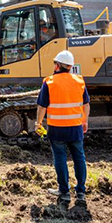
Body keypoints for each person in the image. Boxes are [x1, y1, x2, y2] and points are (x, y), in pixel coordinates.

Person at [35, 50, 90, 202]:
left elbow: (42, 107)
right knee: (79, 157)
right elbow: (86, 104)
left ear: (57, 65)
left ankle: (64, 192)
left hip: (57, 129)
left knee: (60, 158)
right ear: (70, 66)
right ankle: (81, 192)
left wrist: (38, 123)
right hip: (75, 127)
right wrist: (85, 121)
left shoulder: (49, 82)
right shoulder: (79, 81)